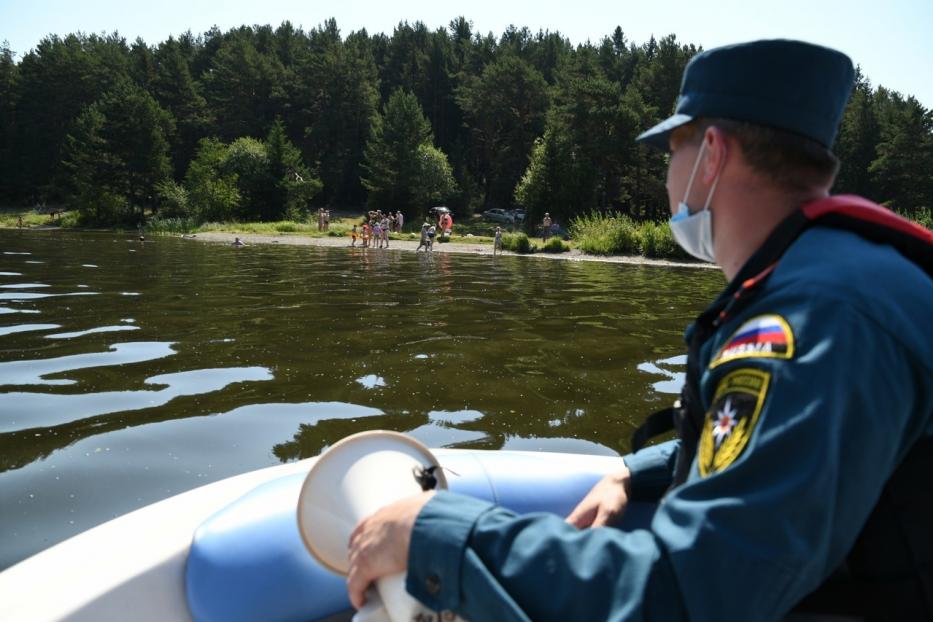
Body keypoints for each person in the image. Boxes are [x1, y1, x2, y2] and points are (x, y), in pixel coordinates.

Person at [346, 39, 933, 621]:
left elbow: (693, 595)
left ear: (711, 153)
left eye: (670, 149)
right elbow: (767, 432)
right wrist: (634, 470)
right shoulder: (838, 277)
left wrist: (441, 536)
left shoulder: (815, 317)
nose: (667, 173)